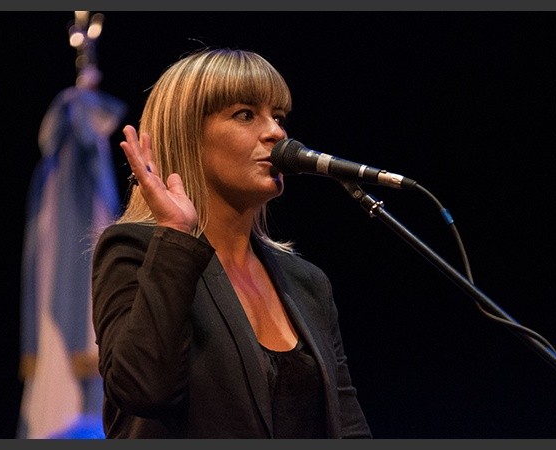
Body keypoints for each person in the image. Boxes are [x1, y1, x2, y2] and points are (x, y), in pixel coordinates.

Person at [91, 47, 372, 438]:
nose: (276, 132)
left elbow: (348, 426)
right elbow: (144, 390)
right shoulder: (138, 250)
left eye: (278, 116)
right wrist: (174, 232)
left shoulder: (306, 282)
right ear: (188, 135)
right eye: (245, 114)